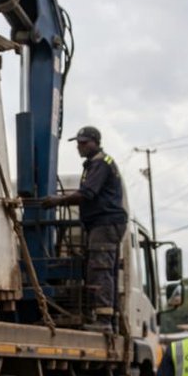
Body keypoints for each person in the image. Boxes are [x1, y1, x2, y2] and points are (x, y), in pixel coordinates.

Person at [39, 126, 128, 332]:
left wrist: (57, 201)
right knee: (102, 268)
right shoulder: (94, 164)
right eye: (78, 142)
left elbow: (87, 194)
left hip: (105, 223)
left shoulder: (100, 164)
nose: (79, 146)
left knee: (100, 269)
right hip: (102, 223)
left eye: (84, 142)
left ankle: (104, 322)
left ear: (96, 142)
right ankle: (108, 319)